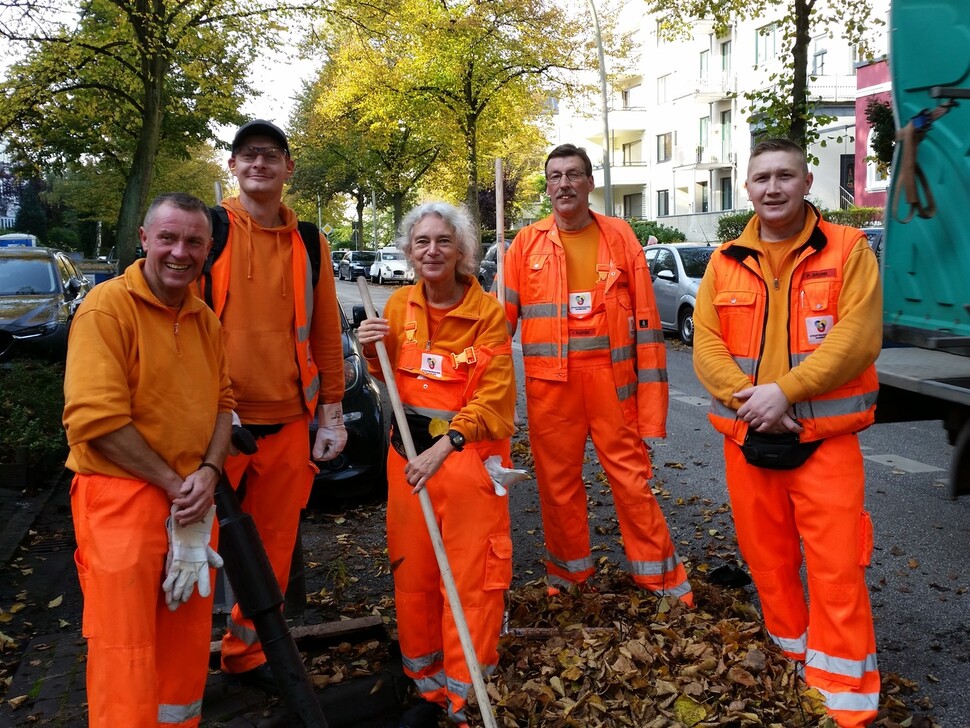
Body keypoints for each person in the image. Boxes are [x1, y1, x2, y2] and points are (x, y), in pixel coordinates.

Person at [692, 138, 881, 728]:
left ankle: (846, 701)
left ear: (806, 183)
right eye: (761, 178)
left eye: (785, 176)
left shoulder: (848, 250)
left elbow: (857, 337)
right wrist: (754, 402)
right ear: (746, 187)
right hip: (749, 439)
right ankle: (790, 659)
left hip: (824, 441)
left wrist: (785, 391)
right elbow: (706, 343)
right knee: (767, 562)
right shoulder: (725, 260)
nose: (772, 188)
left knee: (836, 569)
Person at [63, 192, 234, 726]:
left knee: (183, 648)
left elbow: (224, 406)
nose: (180, 252)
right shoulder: (106, 309)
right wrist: (178, 483)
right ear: (144, 239)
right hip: (121, 500)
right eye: (168, 238)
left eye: (194, 242)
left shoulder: (204, 319)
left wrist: (207, 473)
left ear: (208, 250)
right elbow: (95, 421)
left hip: (190, 502)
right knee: (125, 649)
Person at [502, 143, 693, 605]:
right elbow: (496, 325)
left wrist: (651, 399)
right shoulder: (525, 244)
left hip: (612, 381)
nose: (563, 183)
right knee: (557, 487)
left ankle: (661, 582)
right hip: (552, 386)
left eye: (573, 174)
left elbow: (647, 319)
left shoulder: (621, 236)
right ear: (547, 186)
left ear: (590, 182)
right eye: (554, 176)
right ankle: (570, 579)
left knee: (631, 480)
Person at [356, 202, 517, 728]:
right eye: (422, 241)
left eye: (443, 241)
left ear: (462, 251)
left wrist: (445, 445)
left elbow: (493, 399)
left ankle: (464, 695)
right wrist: (368, 351)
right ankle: (424, 685)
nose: (432, 250)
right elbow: (389, 384)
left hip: (468, 463)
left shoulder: (487, 313)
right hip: (408, 464)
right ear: (408, 251)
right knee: (415, 575)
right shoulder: (397, 306)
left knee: (470, 583)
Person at [201, 119, 348, 685]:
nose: (258, 163)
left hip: (289, 423)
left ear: (289, 168)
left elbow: (327, 332)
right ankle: (183, 666)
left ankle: (249, 656)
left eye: (270, 155)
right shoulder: (210, 231)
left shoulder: (310, 242)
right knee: (197, 550)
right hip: (219, 427)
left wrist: (331, 408)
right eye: (247, 155)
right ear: (233, 167)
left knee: (273, 553)